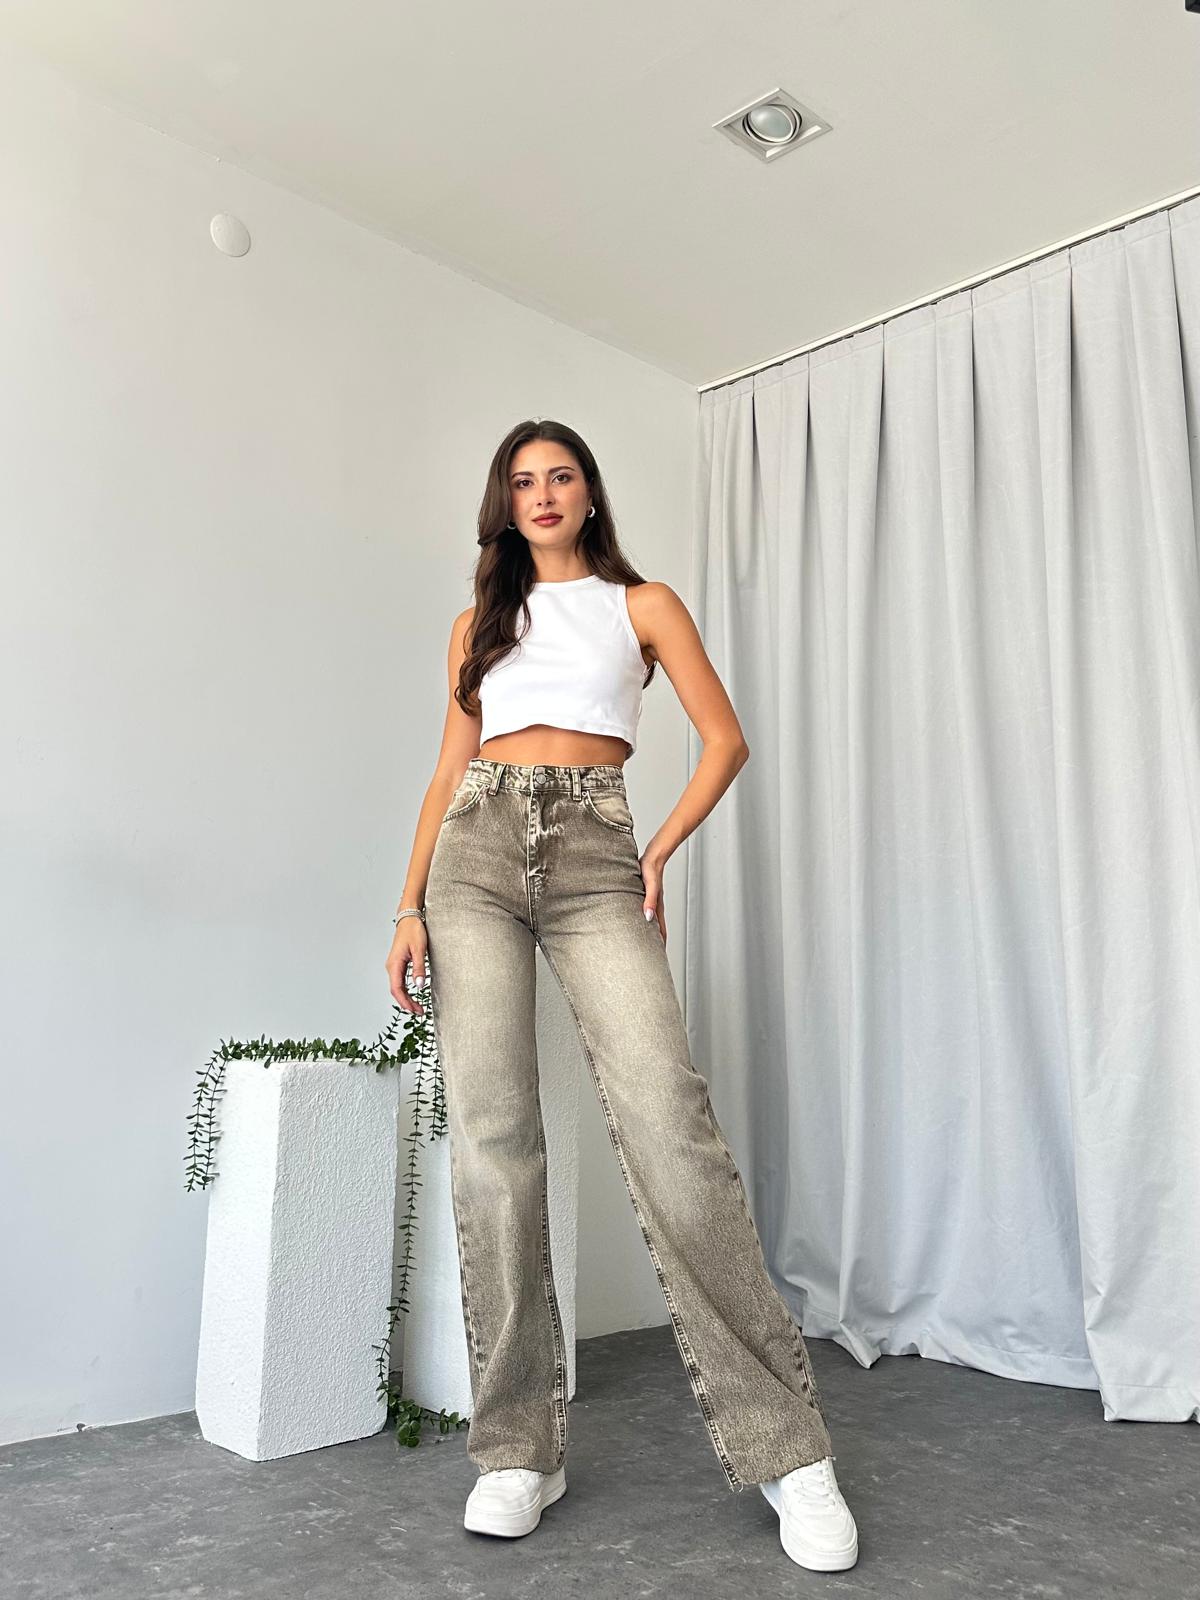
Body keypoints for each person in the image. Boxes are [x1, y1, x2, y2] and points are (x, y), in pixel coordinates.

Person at [384, 418, 859, 1573]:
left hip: (596, 851)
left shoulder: (642, 605)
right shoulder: (477, 624)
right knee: (494, 1144)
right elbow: (448, 770)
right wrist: (407, 906)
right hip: (473, 856)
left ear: (590, 494)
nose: (543, 493)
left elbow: (723, 740)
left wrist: (658, 850)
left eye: (562, 476)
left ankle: (789, 1448)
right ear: (505, 503)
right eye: (523, 480)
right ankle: (518, 1450)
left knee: (670, 1128)